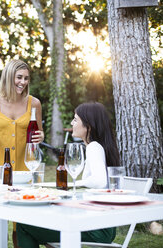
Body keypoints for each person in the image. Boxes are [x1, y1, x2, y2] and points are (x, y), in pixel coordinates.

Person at [17, 102, 119, 247]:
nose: (72, 122)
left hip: (96, 230)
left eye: (76, 119)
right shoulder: (96, 146)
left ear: (88, 125)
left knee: (24, 225)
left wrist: (73, 185)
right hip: (99, 225)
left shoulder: (94, 148)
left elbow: (100, 181)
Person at [0, 59, 45, 248]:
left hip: (25, 168)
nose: (23, 82)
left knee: (21, 222)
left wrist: (40, 136)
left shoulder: (34, 104)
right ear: (9, 77)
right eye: (19, 77)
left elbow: (38, 134)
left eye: (26, 78)